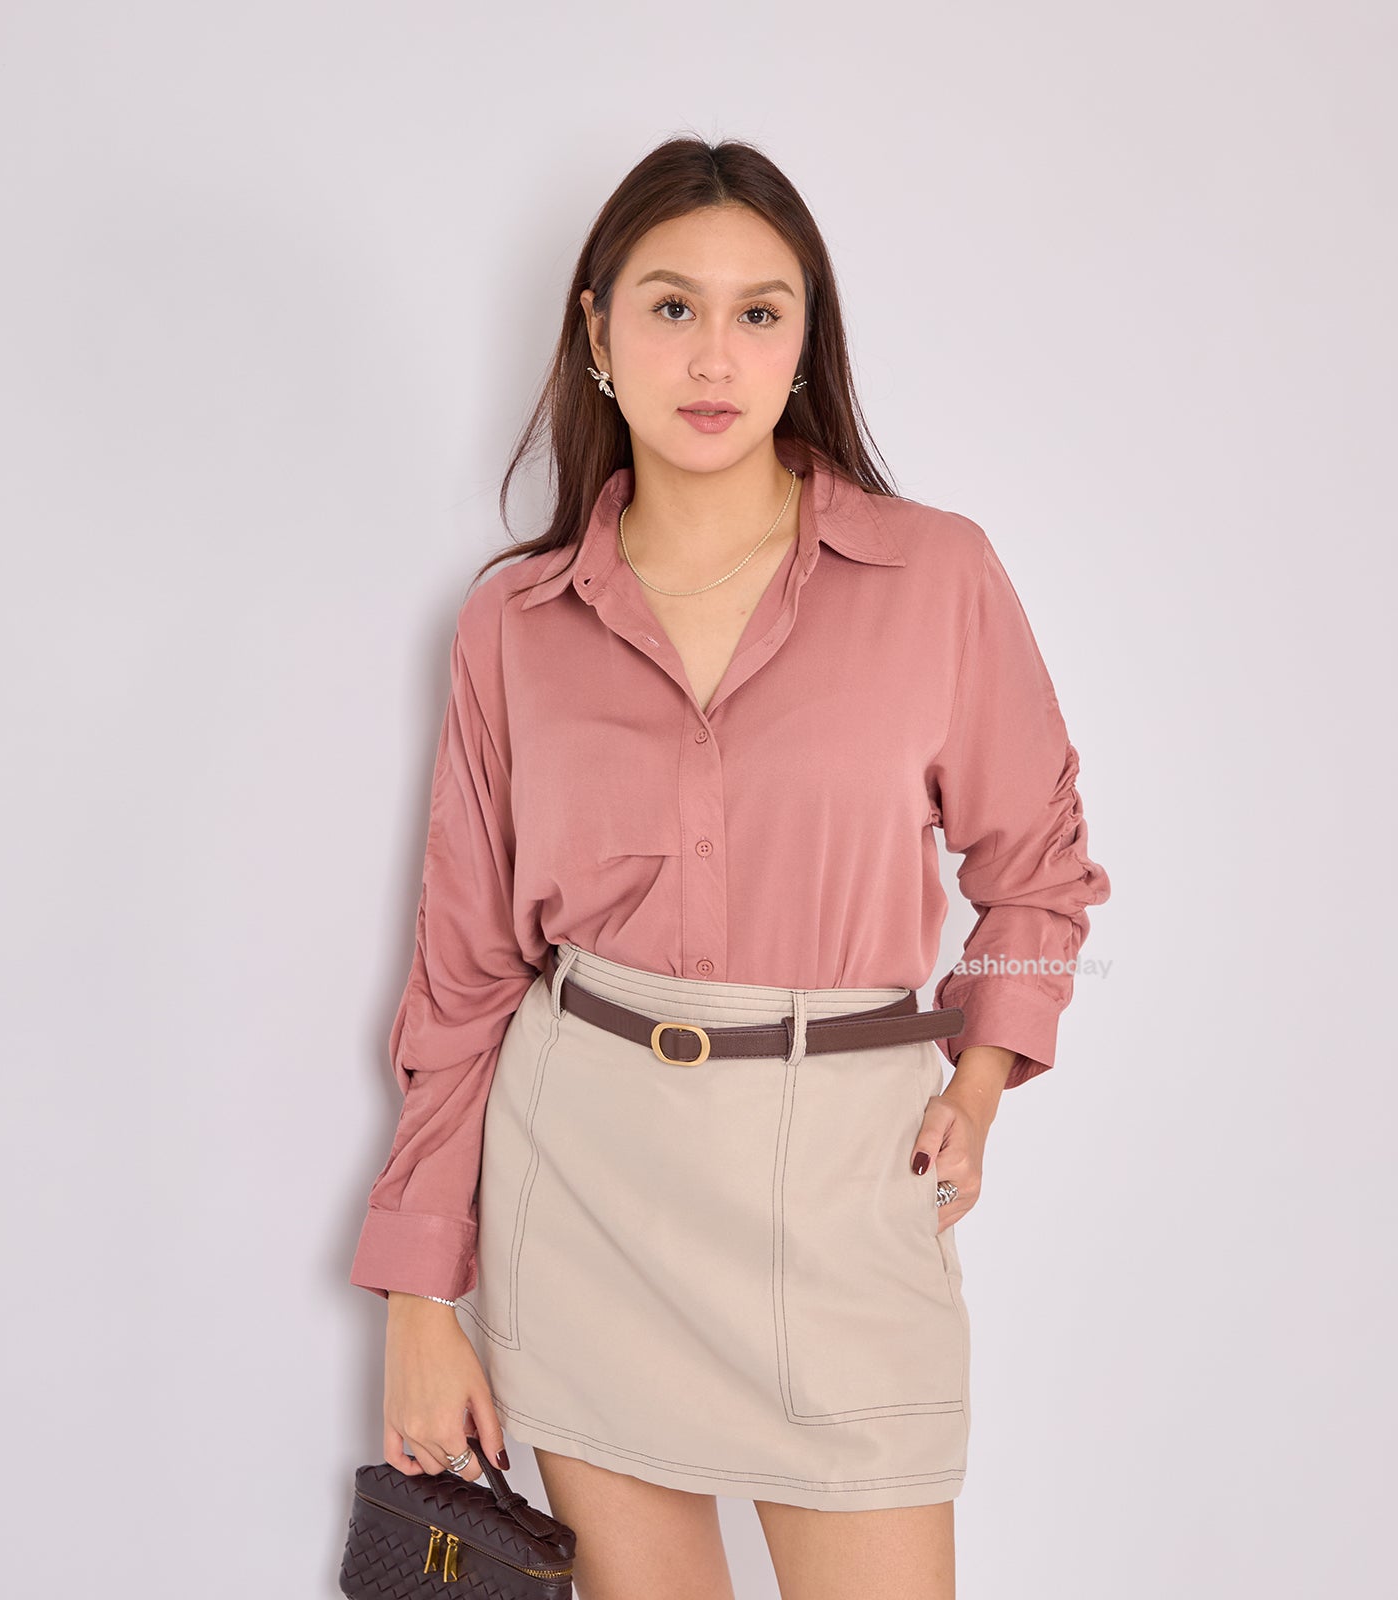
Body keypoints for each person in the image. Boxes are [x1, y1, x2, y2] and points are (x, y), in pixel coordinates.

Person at [348, 135, 1111, 1600]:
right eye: (671, 307)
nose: (714, 355)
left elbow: (1041, 868)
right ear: (597, 333)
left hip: (846, 1182)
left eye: (760, 311)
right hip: (585, 1187)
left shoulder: (935, 575)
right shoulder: (516, 622)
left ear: (806, 341)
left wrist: (979, 1086)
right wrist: (417, 1292)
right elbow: (466, 976)